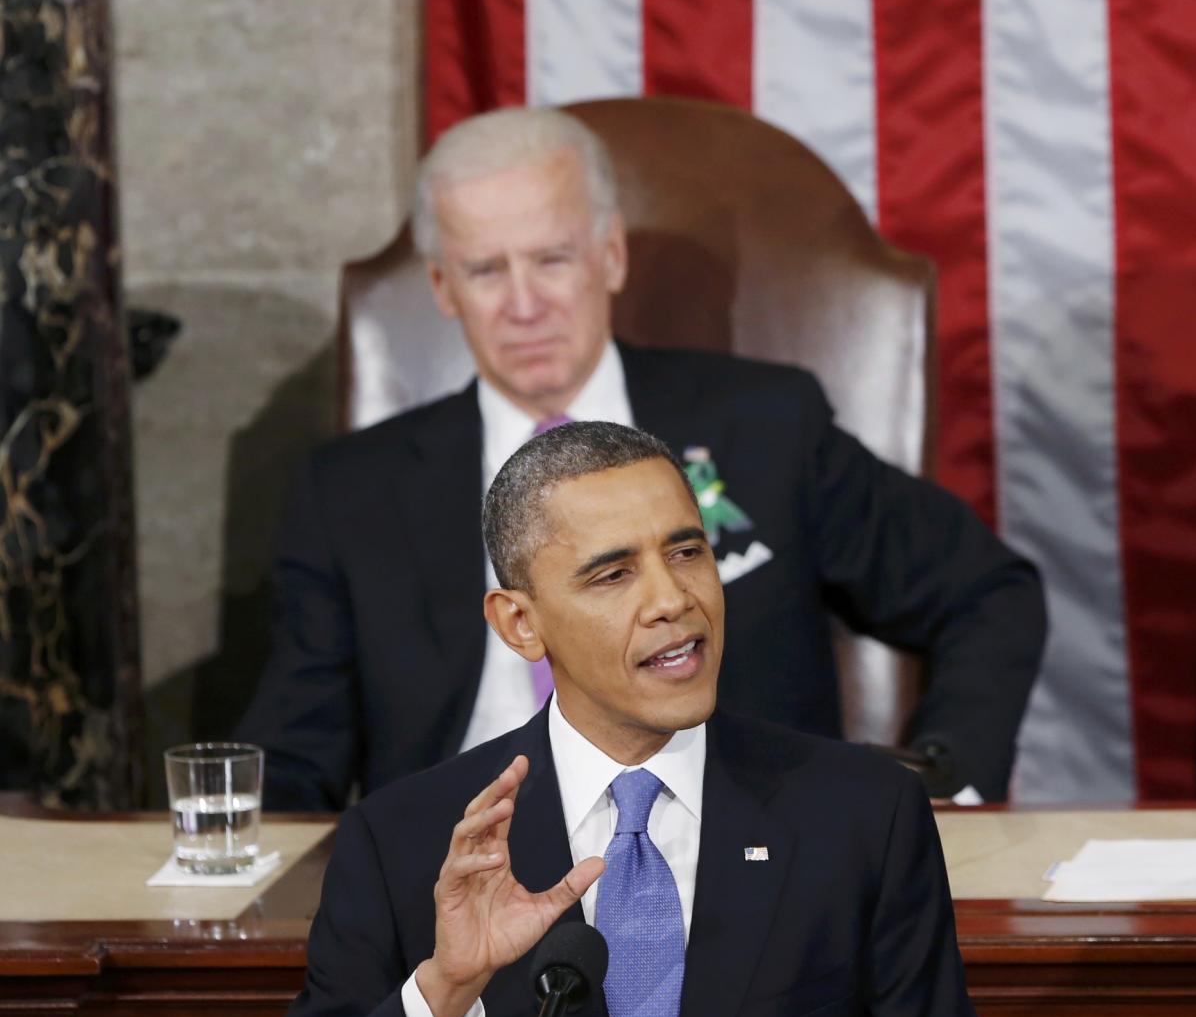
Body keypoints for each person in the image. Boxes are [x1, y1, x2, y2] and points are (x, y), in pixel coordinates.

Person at [238, 421, 1027, 1017]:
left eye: (687, 553)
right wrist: (442, 993)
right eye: (614, 573)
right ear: (520, 623)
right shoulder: (412, 841)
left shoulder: (857, 815)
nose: (673, 599)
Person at [237, 105, 1044, 811]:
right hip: (463, 899)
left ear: (610, 256)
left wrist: (946, 782)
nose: (524, 305)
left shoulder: (764, 426)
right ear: (443, 288)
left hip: (748, 877)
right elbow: (295, 758)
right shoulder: (352, 494)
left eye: (552, 259)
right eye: (487, 271)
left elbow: (985, 592)